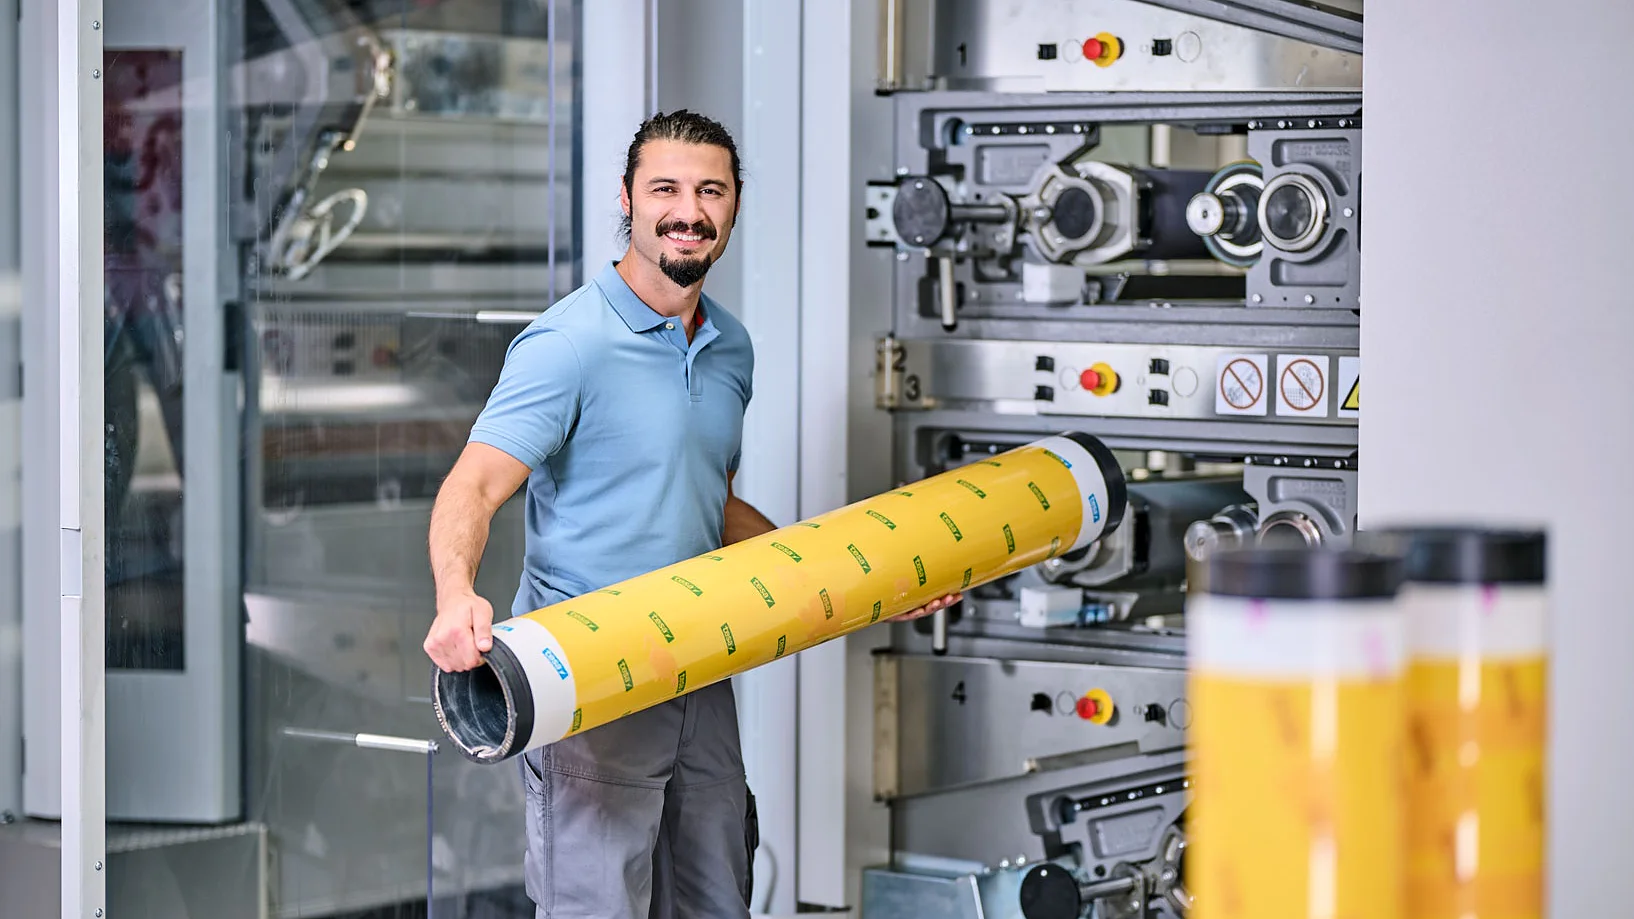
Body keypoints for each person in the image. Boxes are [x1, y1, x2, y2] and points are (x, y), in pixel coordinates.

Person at [421, 109, 961, 919]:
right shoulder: (568, 343)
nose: (688, 209)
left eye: (710, 190)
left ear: (735, 204)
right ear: (628, 200)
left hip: (700, 662)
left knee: (717, 898)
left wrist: (867, 580)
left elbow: (712, 503)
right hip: (592, 675)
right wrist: (455, 592)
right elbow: (472, 486)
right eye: (665, 188)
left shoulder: (730, 346)